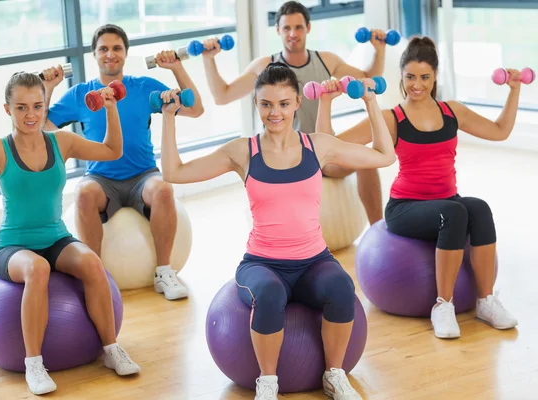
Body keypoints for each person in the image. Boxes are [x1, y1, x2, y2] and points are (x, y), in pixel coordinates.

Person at [158, 62, 395, 399]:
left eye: (283, 104)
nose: (275, 113)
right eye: (266, 104)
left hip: (314, 260)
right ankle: (267, 382)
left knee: (342, 286)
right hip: (263, 263)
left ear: (298, 102)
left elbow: (385, 156)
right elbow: (174, 172)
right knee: (268, 294)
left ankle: (334, 374)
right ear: (256, 105)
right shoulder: (243, 151)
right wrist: (169, 118)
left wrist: (371, 102)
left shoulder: (319, 145)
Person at [0, 71, 140, 395]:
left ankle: (111, 349)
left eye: (37, 106)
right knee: (37, 268)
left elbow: (112, 151)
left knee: (91, 262)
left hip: (56, 238)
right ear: (7, 109)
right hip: (12, 246)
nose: (30, 115)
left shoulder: (61, 142)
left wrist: (111, 107)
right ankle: (34, 363)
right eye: (21, 108)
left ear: (45, 105)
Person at [317, 36, 519, 339]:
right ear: (401, 76)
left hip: (446, 200)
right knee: (453, 213)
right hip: (405, 207)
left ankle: (486, 300)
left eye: (425, 77)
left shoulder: (453, 112)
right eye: (410, 76)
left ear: (435, 76)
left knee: (479, 208)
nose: (417, 84)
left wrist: (514, 91)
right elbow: (329, 145)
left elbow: (500, 131)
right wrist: (325, 103)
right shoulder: (392, 118)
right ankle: (443, 305)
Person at [43, 24, 205, 300]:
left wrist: (176, 68)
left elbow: (195, 109)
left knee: (164, 190)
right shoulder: (81, 94)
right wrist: (47, 88)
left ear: (125, 53)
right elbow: (44, 129)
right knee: (83, 193)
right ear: (94, 55)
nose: (110, 54)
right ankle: (95, 276)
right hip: (100, 177)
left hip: (143, 175)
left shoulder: (143, 87)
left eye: (116, 48)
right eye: (103, 49)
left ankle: (164, 272)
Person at [200, 0, 390, 224]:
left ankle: (378, 231)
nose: (293, 33)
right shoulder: (265, 67)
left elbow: (367, 81)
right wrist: (208, 59)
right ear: (277, 30)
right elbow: (223, 95)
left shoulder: (326, 60)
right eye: (287, 28)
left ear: (308, 28)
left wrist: (379, 50)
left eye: (298, 27)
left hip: (323, 150)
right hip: (287, 154)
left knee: (365, 163)